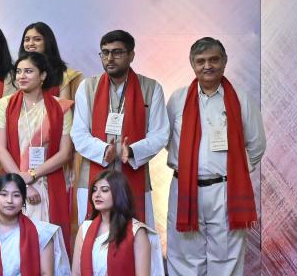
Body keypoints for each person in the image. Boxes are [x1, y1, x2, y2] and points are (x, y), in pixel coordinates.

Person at [165, 37, 265, 275]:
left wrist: (236, 172)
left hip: (225, 191)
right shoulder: (178, 99)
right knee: (185, 259)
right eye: (200, 61)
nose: (207, 66)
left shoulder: (240, 98)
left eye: (213, 60)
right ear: (192, 64)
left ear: (224, 61)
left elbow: (257, 143)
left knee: (226, 259)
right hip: (184, 189)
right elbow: (166, 141)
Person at [70, 30, 168, 224]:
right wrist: (104, 150)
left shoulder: (151, 88)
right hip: (93, 177)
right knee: (94, 235)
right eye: (105, 53)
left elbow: (160, 134)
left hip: (134, 175)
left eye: (117, 52)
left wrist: (131, 151)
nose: (109, 58)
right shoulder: (87, 87)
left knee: (135, 234)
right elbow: (78, 133)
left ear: (131, 55)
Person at [0, 52, 76, 243]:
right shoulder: (4, 105)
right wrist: (23, 184)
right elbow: (0, 150)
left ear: (43, 75)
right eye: (18, 71)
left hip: (48, 181)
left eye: (28, 71)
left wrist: (33, 174)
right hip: (13, 182)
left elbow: (65, 153)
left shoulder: (61, 108)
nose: (21, 76)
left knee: (46, 242)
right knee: (14, 243)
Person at [0, 173, 69, 276]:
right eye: (4, 194)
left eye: (16, 195)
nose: (9, 200)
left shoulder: (42, 232)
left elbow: (47, 273)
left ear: (23, 200)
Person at [71, 171, 156, 276]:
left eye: (104, 190)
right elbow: (76, 273)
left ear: (119, 194)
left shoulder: (137, 231)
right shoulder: (85, 228)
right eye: (94, 190)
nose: (97, 195)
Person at [18, 22, 83, 100]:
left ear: (48, 42)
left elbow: (64, 105)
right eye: (27, 40)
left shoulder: (63, 74)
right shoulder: (17, 73)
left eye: (37, 39)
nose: (30, 43)